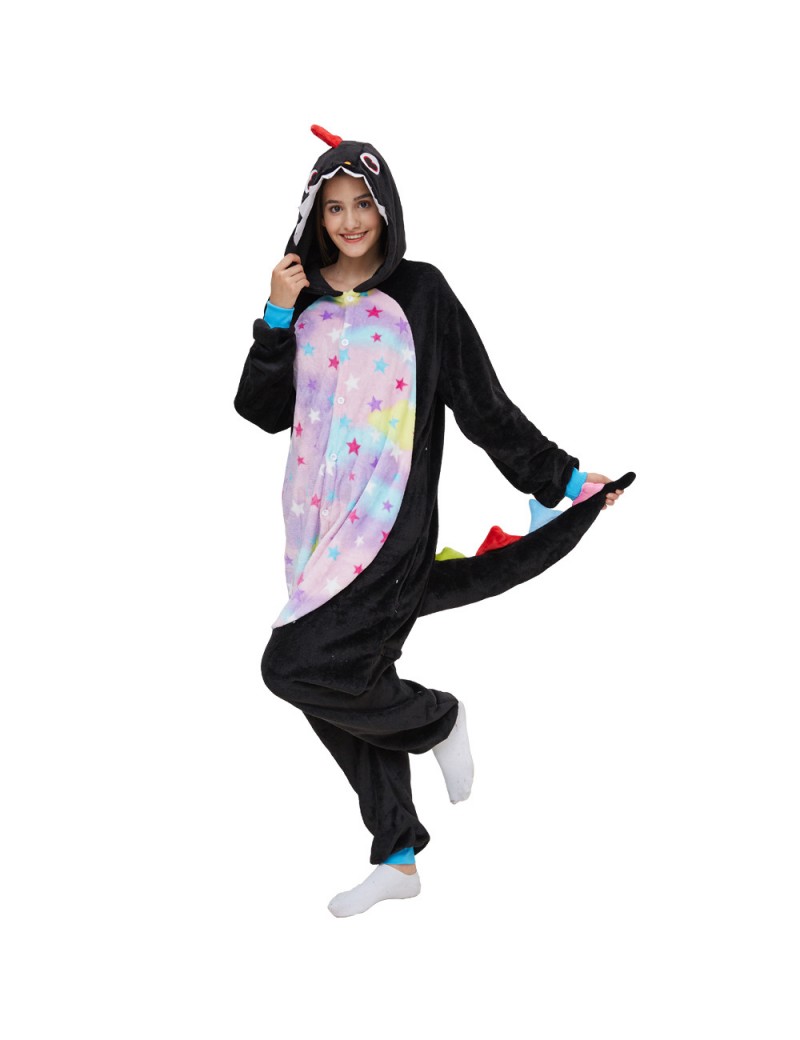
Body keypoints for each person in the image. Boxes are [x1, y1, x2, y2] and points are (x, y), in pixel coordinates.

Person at [234, 124, 629, 917]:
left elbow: (482, 402)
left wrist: (559, 476)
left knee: (292, 667)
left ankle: (437, 720)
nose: (350, 221)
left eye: (363, 204)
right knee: (346, 679)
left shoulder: (424, 293)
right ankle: (398, 853)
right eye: (334, 207)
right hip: (313, 537)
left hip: (389, 529)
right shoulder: (300, 297)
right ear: (314, 215)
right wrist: (275, 317)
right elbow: (260, 410)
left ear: (386, 208)